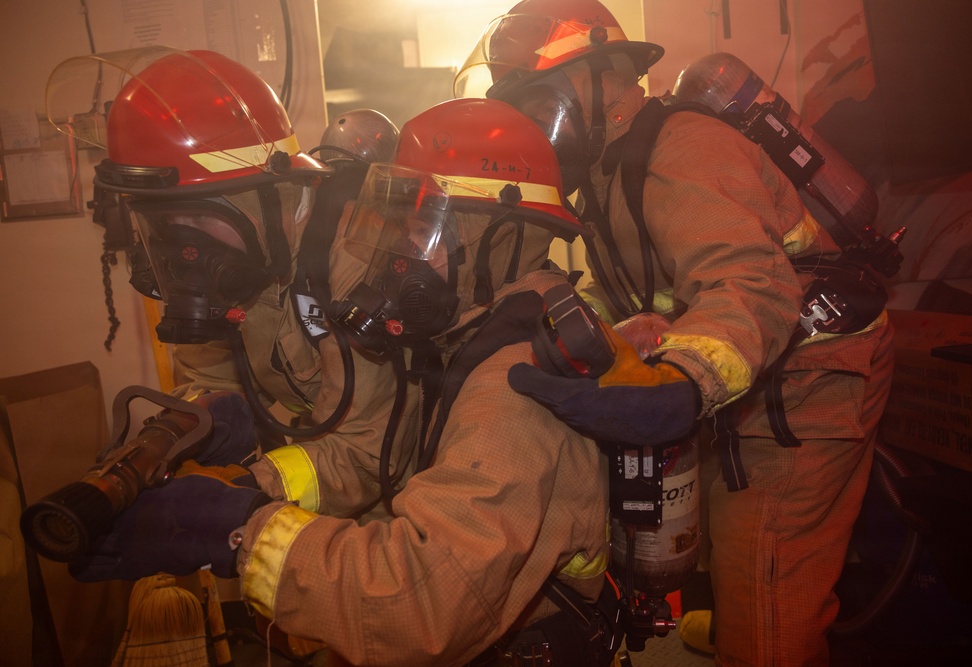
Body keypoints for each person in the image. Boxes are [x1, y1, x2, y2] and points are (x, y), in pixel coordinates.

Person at [71, 96, 621, 667]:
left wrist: (240, 531)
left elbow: (417, 605)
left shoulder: (514, 387)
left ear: (498, 240)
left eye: (420, 239)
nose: (394, 262)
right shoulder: (469, 340)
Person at [455, 1, 895, 665]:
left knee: (767, 588)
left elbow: (753, 285)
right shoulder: (608, 168)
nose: (540, 130)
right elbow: (636, 284)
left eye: (544, 104)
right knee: (717, 537)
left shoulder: (684, 148)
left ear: (606, 77)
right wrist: (588, 328)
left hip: (809, 380)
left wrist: (686, 380)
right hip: (758, 371)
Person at [49, 46, 421, 522]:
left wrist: (241, 495)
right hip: (310, 508)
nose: (184, 249)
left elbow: (365, 456)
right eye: (164, 223)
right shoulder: (220, 274)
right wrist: (172, 435)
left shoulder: (356, 260)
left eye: (199, 215)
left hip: (400, 514)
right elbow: (208, 380)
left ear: (275, 199)